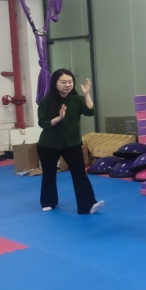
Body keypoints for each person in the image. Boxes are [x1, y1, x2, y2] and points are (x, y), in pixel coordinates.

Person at [36, 69, 105, 214]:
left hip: (72, 143)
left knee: (80, 174)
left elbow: (90, 111)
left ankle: (88, 205)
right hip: (48, 144)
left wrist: (86, 94)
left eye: (70, 82)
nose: (67, 85)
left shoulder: (77, 99)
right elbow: (43, 122)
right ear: (55, 83)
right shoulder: (46, 101)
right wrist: (58, 118)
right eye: (63, 82)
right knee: (49, 174)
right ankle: (48, 201)